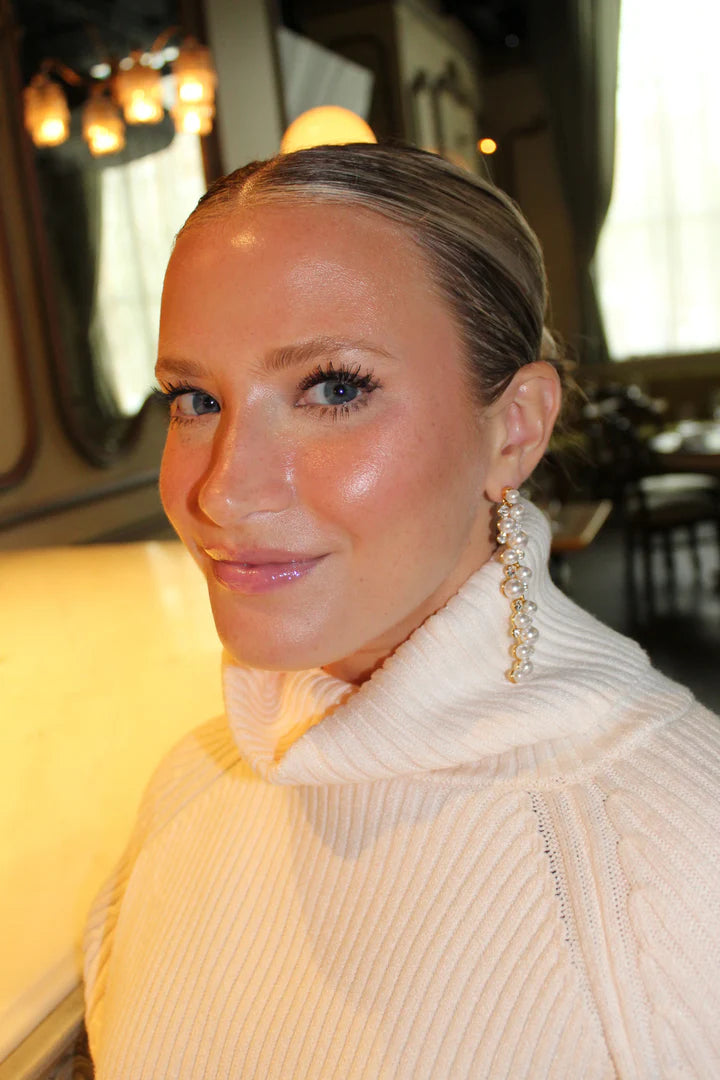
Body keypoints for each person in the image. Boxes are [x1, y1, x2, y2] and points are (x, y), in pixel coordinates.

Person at [83, 144, 720, 1079]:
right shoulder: (188, 788)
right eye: (196, 398)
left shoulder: (679, 874)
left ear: (515, 428)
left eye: (334, 388)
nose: (223, 490)